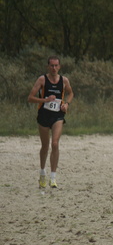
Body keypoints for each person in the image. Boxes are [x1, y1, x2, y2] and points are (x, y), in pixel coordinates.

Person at [27, 56, 74, 189]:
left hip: (58, 116)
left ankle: (53, 177)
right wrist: (45, 100)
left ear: (59, 66)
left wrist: (66, 104)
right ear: (48, 66)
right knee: (45, 146)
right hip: (44, 116)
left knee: (55, 143)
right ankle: (42, 173)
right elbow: (30, 98)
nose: (54, 68)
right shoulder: (42, 79)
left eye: (56, 65)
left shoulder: (64, 80)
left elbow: (71, 94)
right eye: (51, 65)